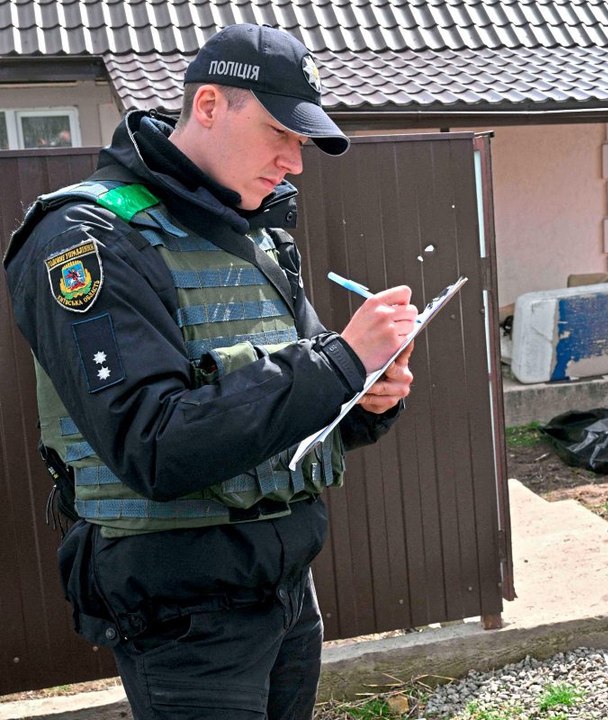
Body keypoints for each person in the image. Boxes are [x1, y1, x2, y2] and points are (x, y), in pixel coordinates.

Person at [2, 23, 417, 720]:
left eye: (304, 139)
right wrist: (341, 362)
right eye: (279, 133)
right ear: (209, 106)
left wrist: (368, 398)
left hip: (286, 592)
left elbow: (305, 409)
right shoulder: (85, 239)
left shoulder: (253, 235)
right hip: (185, 616)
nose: (296, 160)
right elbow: (153, 444)